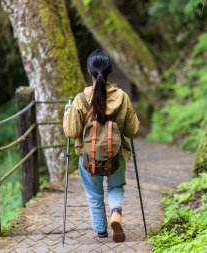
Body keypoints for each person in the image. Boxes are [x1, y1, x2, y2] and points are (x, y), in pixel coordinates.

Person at [63, 49, 140, 242]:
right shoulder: (122, 97)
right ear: (109, 72)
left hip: (88, 158)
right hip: (116, 154)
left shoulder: (81, 99)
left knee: (94, 194)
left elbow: (71, 132)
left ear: (90, 72)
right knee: (115, 187)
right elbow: (133, 131)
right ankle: (116, 212)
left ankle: (101, 231)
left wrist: (68, 112)